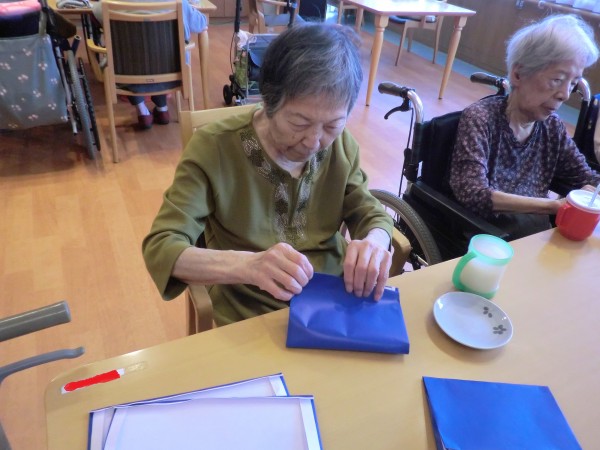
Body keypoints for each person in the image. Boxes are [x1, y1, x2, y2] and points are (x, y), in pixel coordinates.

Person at [142, 23, 394, 326]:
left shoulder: (341, 146)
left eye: (332, 125)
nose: (313, 142)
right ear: (268, 101)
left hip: (332, 302)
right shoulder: (214, 148)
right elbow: (162, 247)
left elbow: (369, 212)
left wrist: (376, 241)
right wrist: (249, 266)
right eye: (299, 123)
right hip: (248, 306)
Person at [449, 14, 600, 239]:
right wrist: (553, 206)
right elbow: (474, 194)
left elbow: (586, 178)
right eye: (557, 80)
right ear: (518, 74)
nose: (565, 94)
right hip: (484, 238)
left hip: (532, 235)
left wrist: (591, 189)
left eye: (573, 83)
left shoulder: (552, 127)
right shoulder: (481, 118)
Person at [91, 0, 207, 129]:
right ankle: (162, 109)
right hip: (173, 73)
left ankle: (142, 111)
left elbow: (95, 15)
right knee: (158, 50)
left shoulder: (109, 2)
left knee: (132, 51)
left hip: (125, 75)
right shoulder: (178, 1)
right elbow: (201, 23)